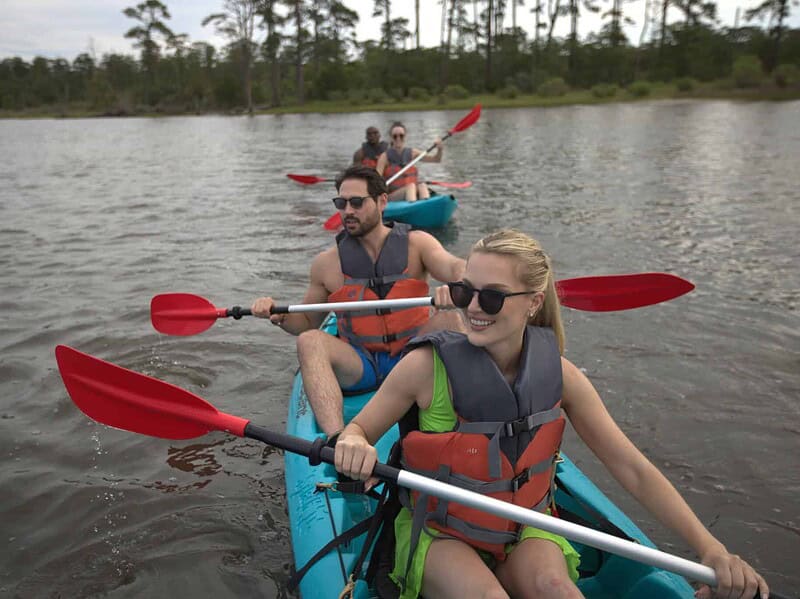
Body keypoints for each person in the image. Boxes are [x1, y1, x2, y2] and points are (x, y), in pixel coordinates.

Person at [333, 229, 770, 599]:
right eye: (465, 291)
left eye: (492, 297)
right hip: (442, 532)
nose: (472, 308)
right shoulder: (424, 368)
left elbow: (632, 468)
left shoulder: (561, 376)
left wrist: (711, 551)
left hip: (525, 526)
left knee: (558, 591)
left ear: (533, 302)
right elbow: (360, 428)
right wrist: (352, 441)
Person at [251, 165, 465, 438]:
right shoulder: (326, 264)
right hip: (362, 363)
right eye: (341, 203)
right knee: (309, 341)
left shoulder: (418, 244)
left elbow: (454, 266)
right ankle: (337, 440)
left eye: (356, 202)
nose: (347, 211)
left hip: (412, 353)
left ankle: (468, 422)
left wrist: (461, 283)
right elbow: (305, 323)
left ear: (382, 201)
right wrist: (279, 315)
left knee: (450, 319)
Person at [375, 121, 442, 203]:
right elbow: (376, 179)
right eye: (395, 136)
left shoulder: (413, 153)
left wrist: (440, 149)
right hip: (393, 196)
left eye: (401, 135)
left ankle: (426, 206)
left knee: (422, 185)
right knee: (411, 186)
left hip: (411, 190)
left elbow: (436, 159)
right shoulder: (384, 157)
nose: (398, 138)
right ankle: (413, 208)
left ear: (405, 136)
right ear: (391, 138)